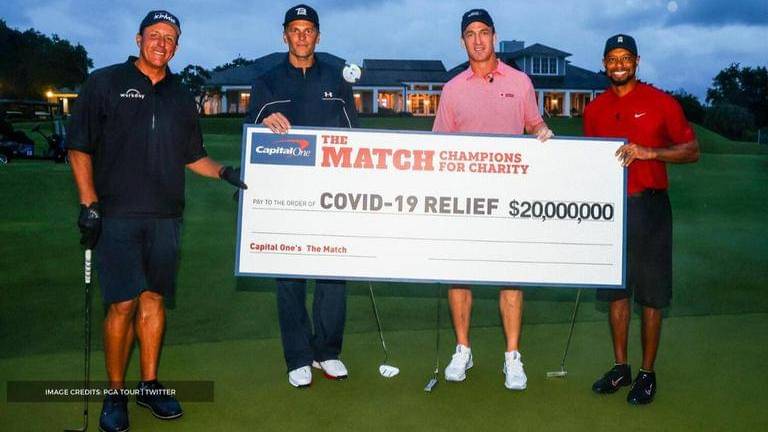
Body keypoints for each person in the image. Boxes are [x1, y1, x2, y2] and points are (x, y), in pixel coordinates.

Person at [66, 10, 247, 432]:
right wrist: (89, 204)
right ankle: (115, 395)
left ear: (177, 46)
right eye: (155, 35)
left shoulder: (181, 96)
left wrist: (224, 172)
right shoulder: (105, 83)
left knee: (153, 300)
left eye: (170, 38)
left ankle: (148, 385)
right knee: (122, 304)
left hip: (166, 216)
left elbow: (193, 156)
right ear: (138, 39)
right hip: (117, 215)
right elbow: (79, 147)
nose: (161, 43)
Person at [432, 8, 554, 390]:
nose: (478, 40)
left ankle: (512, 356)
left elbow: (534, 124)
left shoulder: (520, 82)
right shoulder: (452, 89)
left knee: (510, 277)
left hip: (510, 199)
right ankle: (463, 349)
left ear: (494, 36)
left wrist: (543, 132)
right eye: (470, 34)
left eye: (484, 32)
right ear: (462, 41)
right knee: (460, 276)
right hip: (465, 199)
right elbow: (440, 147)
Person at [244, 3, 359, 388]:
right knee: (290, 278)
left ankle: (327, 351)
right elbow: (250, 134)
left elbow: (355, 137)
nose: (302, 36)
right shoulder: (266, 82)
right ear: (285, 36)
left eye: (308, 30)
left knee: (333, 274)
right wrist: (262, 121)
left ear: (318, 36)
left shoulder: (337, 80)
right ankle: (297, 356)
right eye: (295, 30)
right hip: (285, 197)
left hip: (330, 194)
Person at [583, 34, 699, 405]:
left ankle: (647, 374)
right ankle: (621, 368)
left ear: (637, 61)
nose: (619, 65)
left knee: (651, 295)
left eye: (625, 58)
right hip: (612, 212)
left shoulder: (660, 102)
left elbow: (691, 150)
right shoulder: (594, 109)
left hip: (650, 209)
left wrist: (650, 152)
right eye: (612, 58)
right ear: (604, 64)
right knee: (617, 293)